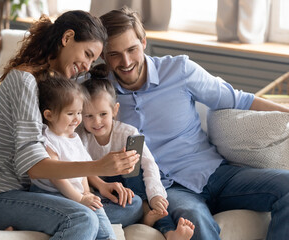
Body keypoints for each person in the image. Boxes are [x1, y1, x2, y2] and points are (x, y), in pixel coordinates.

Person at [98, 6, 289, 240]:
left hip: (214, 172)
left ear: (144, 42)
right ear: (103, 55)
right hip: (170, 190)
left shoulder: (179, 70)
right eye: (114, 54)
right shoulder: (98, 95)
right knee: (194, 219)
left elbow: (239, 99)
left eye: (131, 49)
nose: (125, 62)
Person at [0, 11, 141, 239]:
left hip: (47, 193)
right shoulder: (24, 81)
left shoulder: (57, 83)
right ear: (67, 38)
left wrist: (99, 185)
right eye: (87, 54)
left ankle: (50, 220)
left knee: (131, 204)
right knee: (83, 218)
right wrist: (99, 167)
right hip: (6, 198)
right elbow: (35, 166)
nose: (88, 66)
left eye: (92, 60)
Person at [78, 64, 195, 240]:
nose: (97, 122)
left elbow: (149, 165)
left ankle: (168, 231)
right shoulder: (79, 137)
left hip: (131, 188)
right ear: (80, 115)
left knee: (134, 168)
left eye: (103, 114)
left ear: (115, 111)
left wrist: (155, 196)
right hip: (101, 190)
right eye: (89, 116)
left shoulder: (128, 134)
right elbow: (79, 170)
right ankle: (141, 215)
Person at [31, 70, 116, 239]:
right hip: (52, 194)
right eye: (70, 114)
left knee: (106, 232)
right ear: (49, 115)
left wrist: (86, 192)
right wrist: (80, 199)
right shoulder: (48, 139)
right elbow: (57, 177)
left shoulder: (74, 137)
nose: (77, 119)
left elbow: (81, 169)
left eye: (79, 113)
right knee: (90, 218)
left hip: (76, 195)